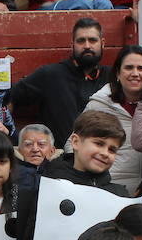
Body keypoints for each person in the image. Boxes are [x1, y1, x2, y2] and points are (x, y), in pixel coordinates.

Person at [12, 109, 129, 240]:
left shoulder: (120, 196)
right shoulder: (49, 185)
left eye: (112, 149)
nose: (105, 153)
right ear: (75, 141)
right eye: (98, 143)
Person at [8, 16, 109, 146]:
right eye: (81, 41)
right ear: (72, 45)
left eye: (92, 40)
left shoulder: (112, 77)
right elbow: (8, 97)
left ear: (102, 43)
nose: (87, 46)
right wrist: (10, 134)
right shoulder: (50, 75)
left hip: (101, 159)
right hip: (59, 160)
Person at [84, 44, 142, 192]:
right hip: (110, 190)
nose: (135, 73)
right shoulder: (99, 105)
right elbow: (73, 145)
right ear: (117, 73)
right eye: (129, 68)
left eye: (141, 68)